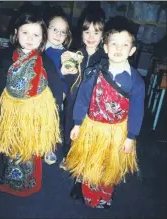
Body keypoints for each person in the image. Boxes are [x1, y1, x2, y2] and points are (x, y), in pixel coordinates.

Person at [65, 16, 145, 208]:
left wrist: (131, 136)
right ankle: (85, 191)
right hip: (92, 128)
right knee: (88, 160)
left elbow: (136, 111)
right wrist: (77, 123)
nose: (118, 49)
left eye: (124, 45)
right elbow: (83, 99)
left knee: (109, 165)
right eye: (114, 44)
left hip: (117, 132)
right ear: (106, 47)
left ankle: (104, 196)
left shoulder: (136, 82)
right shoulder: (94, 72)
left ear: (132, 50)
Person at [0, 12, 62, 197]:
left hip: (35, 115)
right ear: (16, 33)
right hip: (11, 113)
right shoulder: (6, 58)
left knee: (31, 150)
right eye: (25, 33)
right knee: (12, 148)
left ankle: (30, 184)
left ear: (43, 38)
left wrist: (53, 119)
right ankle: (10, 181)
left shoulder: (46, 61)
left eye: (36, 35)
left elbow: (55, 89)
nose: (30, 39)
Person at [60, 8, 107, 174]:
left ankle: (85, 158)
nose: (91, 37)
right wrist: (64, 68)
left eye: (96, 32)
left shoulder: (105, 59)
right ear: (81, 33)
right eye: (87, 32)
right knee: (69, 127)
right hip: (73, 101)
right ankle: (68, 155)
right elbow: (65, 80)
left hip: (93, 105)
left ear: (103, 35)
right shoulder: (74, 54)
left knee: (87, 133)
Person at [44, 13, 73, 165]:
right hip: (40, 94)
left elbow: (66, 79)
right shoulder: (40, 50)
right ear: (45, 29)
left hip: (57, 96)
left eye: (63, 32)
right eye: (54, 29)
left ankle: (49, 147)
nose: (58, 34)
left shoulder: (66, 54)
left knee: (53, 122)